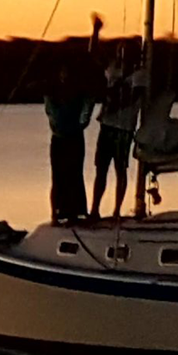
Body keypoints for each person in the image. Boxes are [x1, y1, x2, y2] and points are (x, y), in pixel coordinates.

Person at [44, 14, 104, 224]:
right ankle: (56, 214)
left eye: (67, 73)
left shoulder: (80, 91)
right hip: (60, 138)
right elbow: (53, 114)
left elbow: (92, 62)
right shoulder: (53, 94)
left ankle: (76, 211)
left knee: (75, 176)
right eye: (62, 73)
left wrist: (95, 32)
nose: (65, 76)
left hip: (74, 138)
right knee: (58, 177)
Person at [89, 40, 147, 221]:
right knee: (101, 168)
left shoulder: (140, 75)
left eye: (125, 52)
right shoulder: (113, 67)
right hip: (107, 126)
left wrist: (112, 104)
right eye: (119, 51)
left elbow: (133, 97)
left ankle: (116, 210)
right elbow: (94, 55)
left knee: (120, 168)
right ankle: (94, 210)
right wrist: (96, 32)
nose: (122, 56)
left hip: (123, 129)